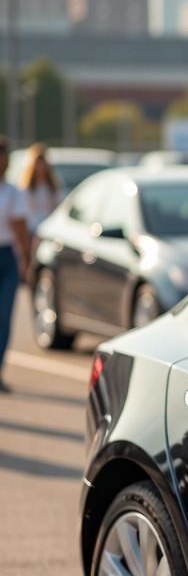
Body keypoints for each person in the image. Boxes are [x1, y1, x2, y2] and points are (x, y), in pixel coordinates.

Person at [0, 136, 31, 394]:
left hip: (7, 257)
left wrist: (26, 260)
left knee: (4, 316)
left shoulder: (12, 192)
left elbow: (21, 230)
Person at [19, 142, 62, 247]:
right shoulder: (27, 186)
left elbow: (57, 206)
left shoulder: (52, 185)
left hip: (48, 230)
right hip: (32, 229)